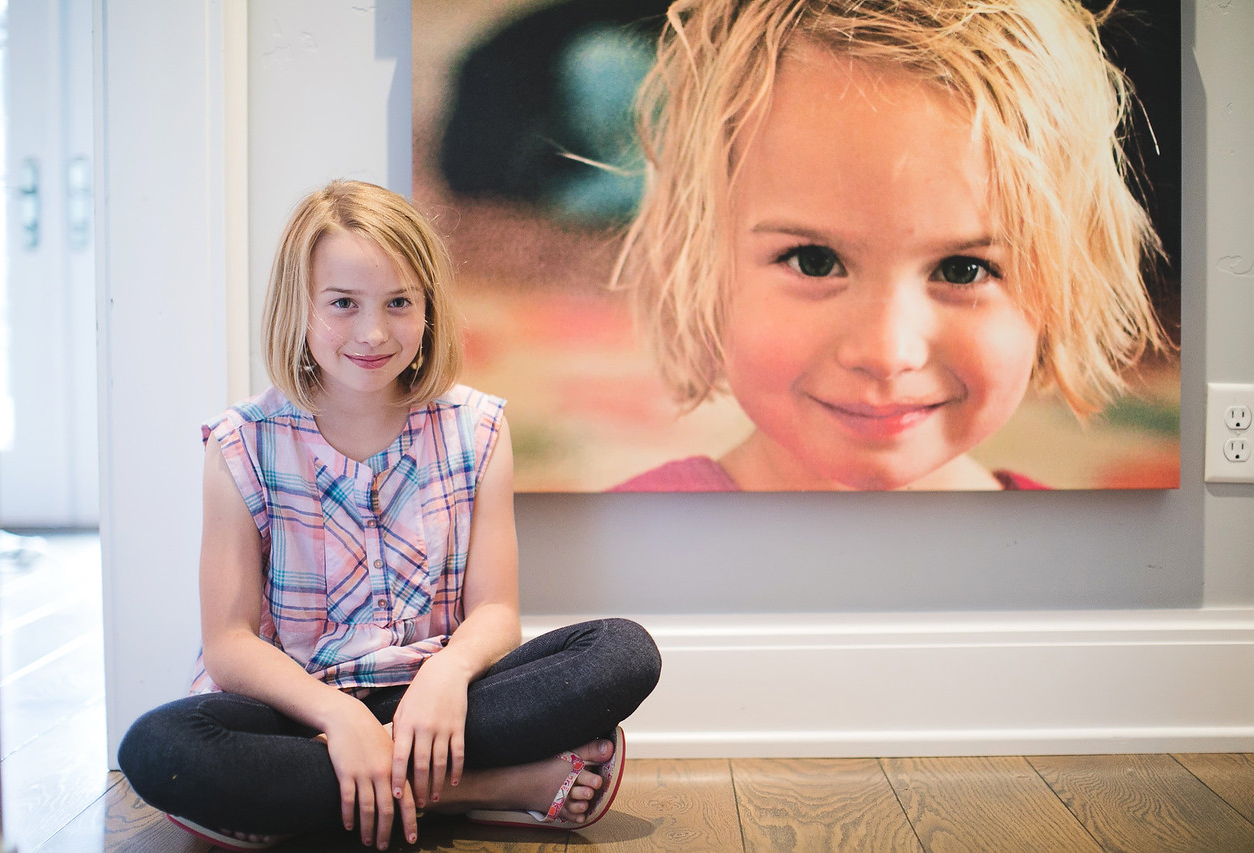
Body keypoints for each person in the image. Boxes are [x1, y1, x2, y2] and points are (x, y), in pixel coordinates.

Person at [118, 180, 662, 851]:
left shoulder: (477, 428)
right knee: (160, 747)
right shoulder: (241, 442)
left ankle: (311, 798)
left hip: (441, 700)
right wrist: (338, 716)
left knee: (619, 651)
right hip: (296, 710)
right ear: (301, 308)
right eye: (343, 303)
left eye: (398, 302)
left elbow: (496, 612)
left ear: (427, 308)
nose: (373, 332)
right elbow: (229, 642)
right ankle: (488, 786)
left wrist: (444, 675)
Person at [610, 0, 1169, 492]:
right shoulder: (617, 555)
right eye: (815, 261)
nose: (886, 353)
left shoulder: (1088, 571)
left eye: (963, 269)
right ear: (698, 256)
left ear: (1065, 277)